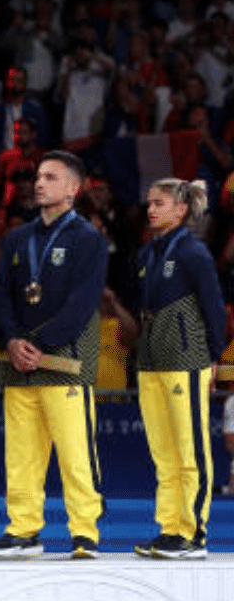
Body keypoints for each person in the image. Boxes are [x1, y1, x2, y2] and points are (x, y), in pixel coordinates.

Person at [0, 151, 107, 560]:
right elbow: (1, 296)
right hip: (20, 364)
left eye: (51, 177)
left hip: (64, 362)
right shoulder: (17, 238)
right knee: (20, 456)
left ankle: (84, 532)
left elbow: (82, 303)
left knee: (75, 454)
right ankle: (23, 530)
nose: (39, 183)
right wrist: (13, 341)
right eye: (38, 176)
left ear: (73, 188)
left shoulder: (88, 238)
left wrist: (40, 343)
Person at [131, 179, 223, 560]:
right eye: (149, 203)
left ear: (181, 210)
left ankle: (193, 533)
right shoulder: (147, 253)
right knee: (164, 454)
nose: (151, 209)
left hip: (187, 360)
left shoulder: (193, 251)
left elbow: (214, 306)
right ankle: (170, 528)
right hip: (152, 361)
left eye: (159, 203)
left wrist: (214, 355)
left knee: (190, 450)